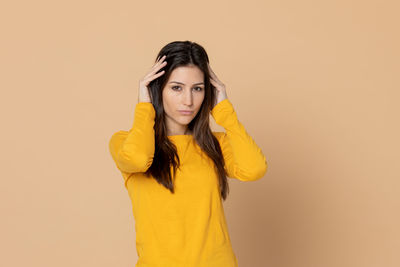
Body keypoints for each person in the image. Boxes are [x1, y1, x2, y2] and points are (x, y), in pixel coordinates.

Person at [108, 40, 268, 267]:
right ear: (157, 88)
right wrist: (145, 105)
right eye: (176, 88)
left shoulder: (216, 145)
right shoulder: (125, 141)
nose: (188, 101)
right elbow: (138, 159)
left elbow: (254, 169)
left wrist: (225, 111)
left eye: (198, 89)